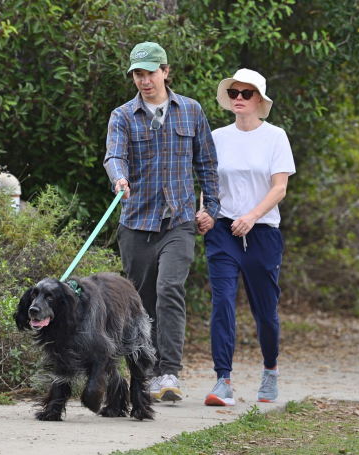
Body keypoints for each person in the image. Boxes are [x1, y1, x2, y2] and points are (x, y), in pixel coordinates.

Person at [103, 42, 220, 403]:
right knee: (141, 300)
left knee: (170, 289)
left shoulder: (192, 111)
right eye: (138, 74)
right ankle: (144, 371)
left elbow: (206, 165)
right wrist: (119, 178)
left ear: (165, 71)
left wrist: (211, 208)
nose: (145, 80)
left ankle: (169, 370)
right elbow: (114, 155)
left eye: (150, 72)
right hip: (136, 222)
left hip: (179, 220)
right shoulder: (122, 116)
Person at [196, 69, 296, 406]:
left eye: (246, 93)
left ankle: (270, 369)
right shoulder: (217, 137)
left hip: (263, 233)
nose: (239, 98)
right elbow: (209, 183)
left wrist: (252, 217)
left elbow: (279, 187)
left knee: (265, 313)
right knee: (222, 303)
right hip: (222, 232)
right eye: (234, 92)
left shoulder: (276, 137)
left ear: (259, 100)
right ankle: (222, 380)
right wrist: (205, 212)